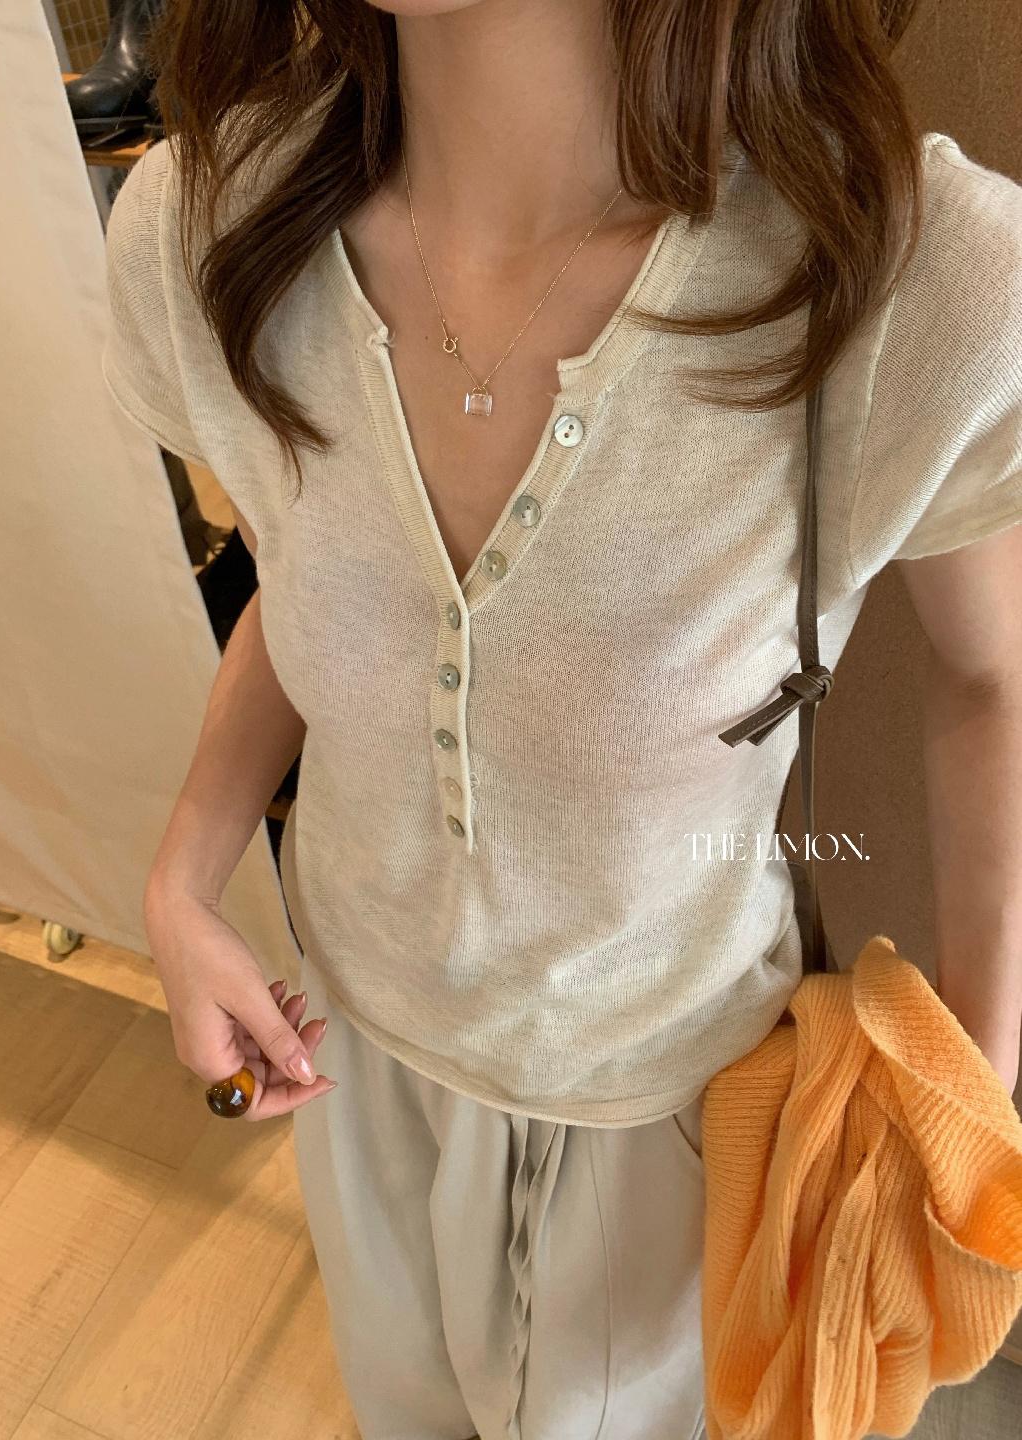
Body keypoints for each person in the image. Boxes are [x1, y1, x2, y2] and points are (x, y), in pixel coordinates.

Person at [103, 2, 1022, 1437]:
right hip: (344, 1049)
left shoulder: (903, 276)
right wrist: (183, 875)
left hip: (661, 1110)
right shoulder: (206, 230)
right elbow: (314, 590)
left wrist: (969, 1108)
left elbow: (992, 680)